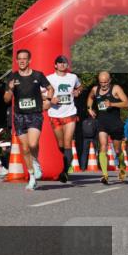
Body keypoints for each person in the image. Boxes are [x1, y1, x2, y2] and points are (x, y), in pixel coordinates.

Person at [3, 48, 53, 190]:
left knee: (32, 144)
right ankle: (31, 177)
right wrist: (11, 89)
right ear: (17, 61)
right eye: (20, 59)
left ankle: (36, 162)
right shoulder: (12, 77)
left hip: (35, 114)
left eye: (25, 58)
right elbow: (6, 99)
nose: (22, 61)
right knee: (24, 149)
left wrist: (48, 100)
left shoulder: (38, 75)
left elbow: (50, 89)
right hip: (19, 116)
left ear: (29, 60)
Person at [87, 71, 128, 184]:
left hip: (116, 123)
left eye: (105, 82)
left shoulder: (116, 89)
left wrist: (112, 104)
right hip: (102, 123)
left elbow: (126, 103)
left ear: (110, 80)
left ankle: (121, 167)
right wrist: (89, 108)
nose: (103, 85)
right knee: (103, 146)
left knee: (117, 149)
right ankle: (105, 175)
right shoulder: (95, 89)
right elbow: (90, 98)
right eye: (101, 82)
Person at [46, 55, 82, 184]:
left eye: (64, 63)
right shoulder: (49, 78)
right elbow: (40, 92)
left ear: (67, 65)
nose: (62, 65)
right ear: (55, 65)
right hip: (55, 115)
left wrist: (78, 91)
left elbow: (79, 87)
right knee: (60, 145)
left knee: (67, 143)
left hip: (70, 113)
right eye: (59, 63)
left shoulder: (73, 77)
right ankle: (67, 161)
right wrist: (50, 99)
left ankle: (65, 172)